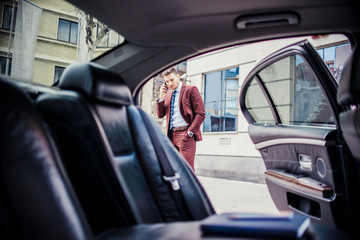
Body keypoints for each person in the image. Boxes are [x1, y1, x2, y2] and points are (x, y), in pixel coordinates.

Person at [157, 67, 205, 170]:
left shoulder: (191, 90)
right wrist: (161, 98)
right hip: (171, 135)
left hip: (185, 134)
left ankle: (189, 186)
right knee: (173, 168)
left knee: (186, 170)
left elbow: (200, 114)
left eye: (172, 80)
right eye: (167, 81)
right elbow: (160, 115)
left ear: (178, 77)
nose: (170, 83)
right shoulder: (168, 94)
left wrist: (189, 133)